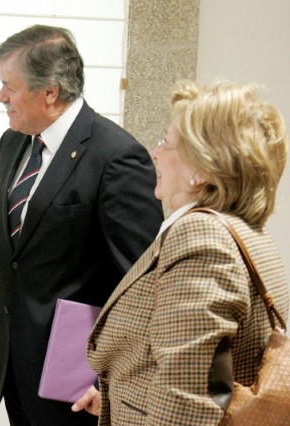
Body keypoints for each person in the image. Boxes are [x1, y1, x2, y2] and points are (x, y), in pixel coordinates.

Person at [0, 25, 164, 425]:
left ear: (50, 92)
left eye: (9, 86)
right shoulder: (14, 142)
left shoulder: (117, 157)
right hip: (18, 373)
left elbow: (142, 287)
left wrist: (111, 382)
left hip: (79, 385)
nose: (1, 96)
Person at [73, 80, 290, 424]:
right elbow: (189, 365)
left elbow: (188, 398)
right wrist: (119, 394)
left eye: (167, 143)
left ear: (201, 170)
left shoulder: (200, 237)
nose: (155, 153)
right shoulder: (243, 230)